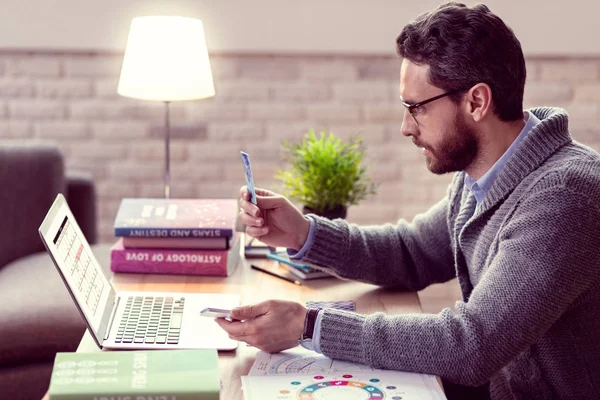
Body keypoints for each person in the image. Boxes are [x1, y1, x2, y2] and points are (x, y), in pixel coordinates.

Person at [216, 2, 600, 399]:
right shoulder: (487, 174)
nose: (405, 127)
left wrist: (310, 326)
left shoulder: (564, 198)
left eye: (417, 108)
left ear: (477, 102)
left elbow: (472, 345)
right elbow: (412, 251)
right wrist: (304, 234)